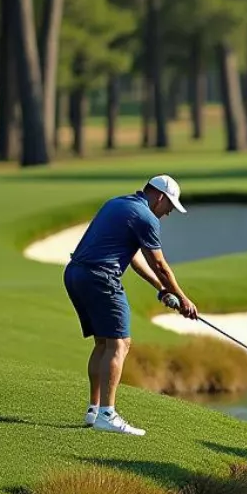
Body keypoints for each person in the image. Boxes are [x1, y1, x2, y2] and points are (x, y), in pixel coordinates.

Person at [63, 175, 198, 436]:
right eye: (169, 206)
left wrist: (162, 291)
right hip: (101, 278)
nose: (168, 213)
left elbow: (134, 257)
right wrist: (183, 298)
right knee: (120, 344)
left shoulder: (119, 204)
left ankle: (93, 411)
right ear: (159, 196)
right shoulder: (145, 217)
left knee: (103, 343)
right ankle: (107, 414)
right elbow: (159, 264)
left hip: (75, 274)